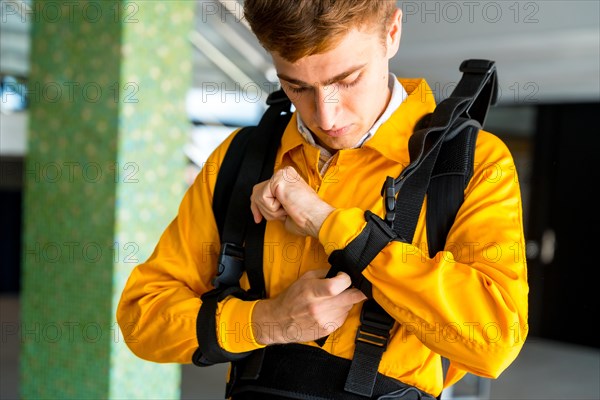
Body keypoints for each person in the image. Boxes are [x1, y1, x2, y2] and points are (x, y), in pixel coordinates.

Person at [117, 1, 529, 399]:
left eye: (347, 79)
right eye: (297, 86)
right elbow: (142, 320)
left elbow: (494, 342)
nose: (327, 117)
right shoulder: (240, 157)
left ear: (392, 33)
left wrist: (332, 224)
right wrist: (266, 322)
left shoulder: (471, 163)